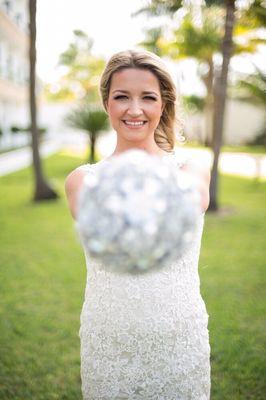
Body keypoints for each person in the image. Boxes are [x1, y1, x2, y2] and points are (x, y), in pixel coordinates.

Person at [65, 49, 211, 399]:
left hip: (178, 335)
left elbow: (185, 208)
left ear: (163, 104)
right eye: (121, 97)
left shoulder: (191, 170)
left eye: (148, 97)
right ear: (106, 104)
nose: (134, 109)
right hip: (109, 339)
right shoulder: (82, 180)